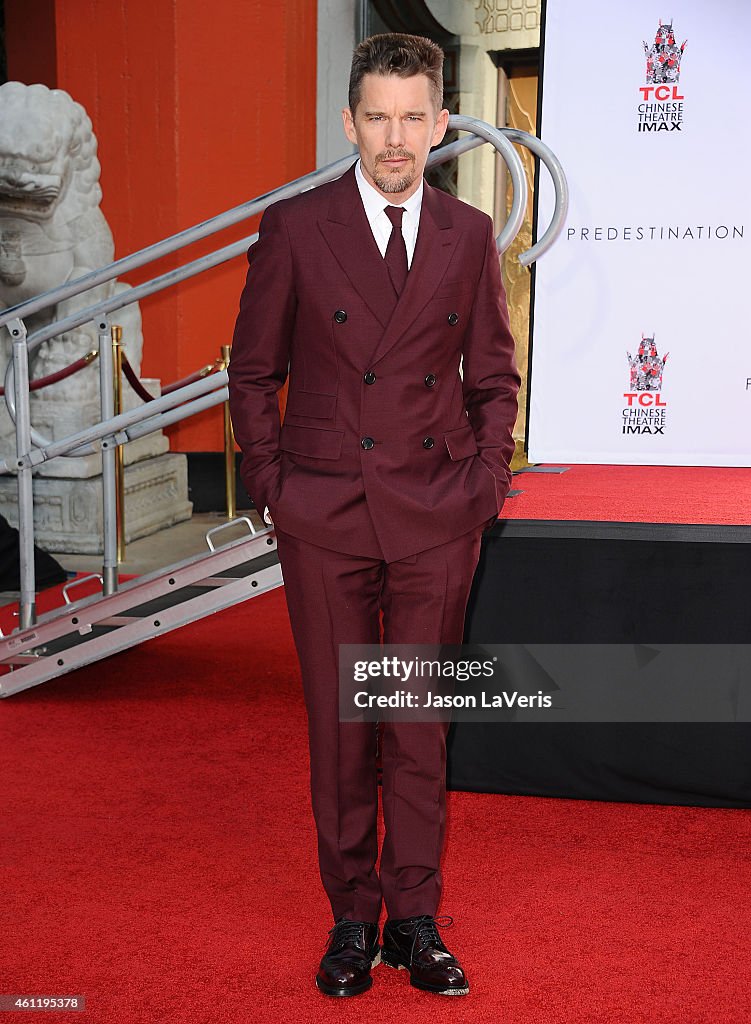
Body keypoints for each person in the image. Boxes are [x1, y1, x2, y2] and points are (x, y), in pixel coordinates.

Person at [228, 32, 519, 998]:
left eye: (412, 117)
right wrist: (274, 485)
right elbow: (254, 370)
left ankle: (417, 917)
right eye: (376, 116)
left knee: (417, 720)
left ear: (440, 125)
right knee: (345, 726)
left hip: (436, 508)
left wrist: (483, 484)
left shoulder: (467, 233)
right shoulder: (296, 228)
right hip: (324, 509)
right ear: (349, 121)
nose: (394, 138)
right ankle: (353, 918)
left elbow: (493, 376)